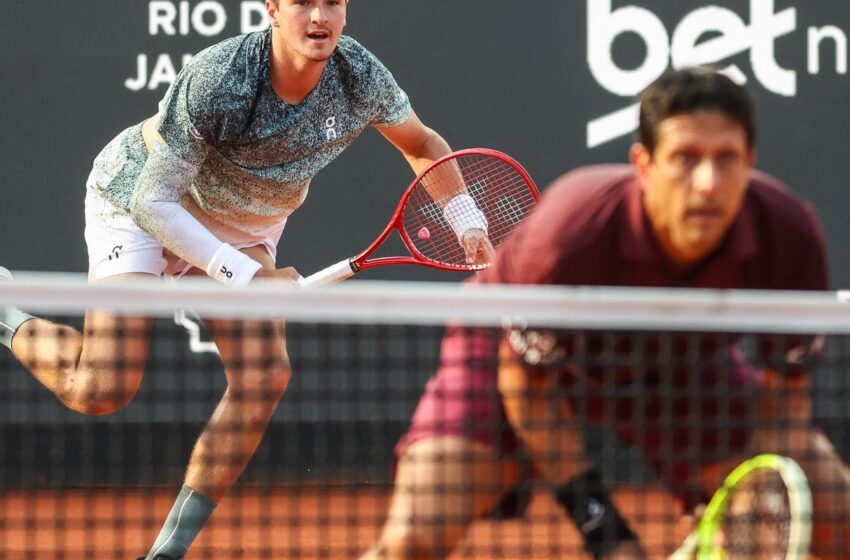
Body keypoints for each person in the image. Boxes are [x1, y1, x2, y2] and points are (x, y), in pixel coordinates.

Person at [0, 1, 493, 559]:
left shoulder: (360, 75)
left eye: (332, 1)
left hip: (245, 221)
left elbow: (422, 143)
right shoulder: (222, 77)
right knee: (100, 389)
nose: (318, 16)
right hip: (143, 201)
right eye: (303, 2)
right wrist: (245, 276)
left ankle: (166, 553)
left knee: (264, 376)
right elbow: (152, 202)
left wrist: (467, 220)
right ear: (273, 9)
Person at [365, 67, 850, 559]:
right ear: (644, 164)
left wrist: (755, 487)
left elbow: (787, 397)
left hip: (681, 368)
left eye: (726, 159)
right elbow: (529, 389)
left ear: (750, 160)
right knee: (414, 538)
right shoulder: (572, 234)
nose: (707, 184)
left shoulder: (788, 235)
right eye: (685, 158)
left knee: (837, 511)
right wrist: (605, 530)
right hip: (505, 356)